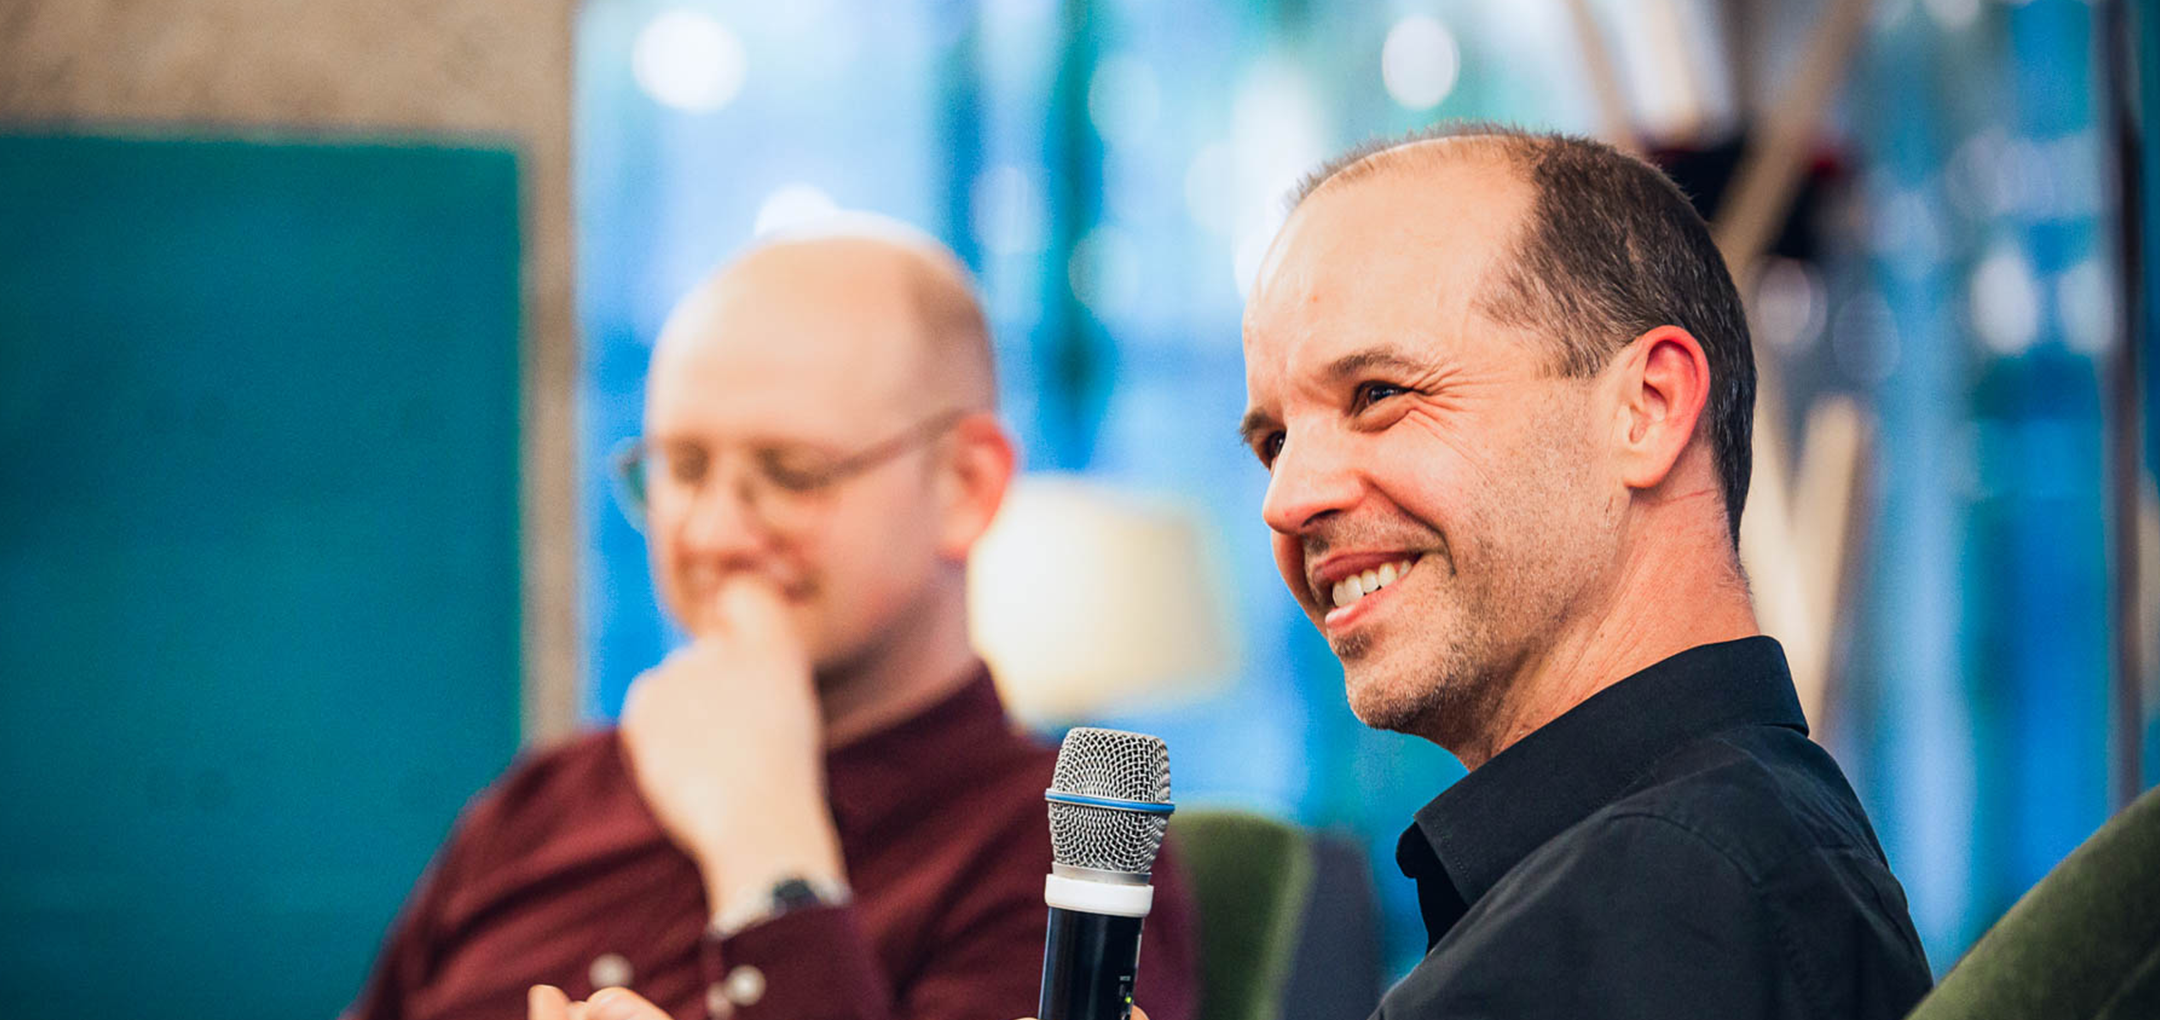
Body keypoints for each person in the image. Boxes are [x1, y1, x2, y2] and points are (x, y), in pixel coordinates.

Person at [350, 219, 1197, 1020]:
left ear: (965, 486)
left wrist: (773, 863)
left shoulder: (1059, 860)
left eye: (792, 473)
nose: (715, 535)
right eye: (684, 468)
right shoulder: (539, 804)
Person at [1226, 125, 1932, 1017]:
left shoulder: (1661, 912)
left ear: (1648, 407)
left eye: (1379, 395)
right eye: (1274, 443)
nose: (1286, 501)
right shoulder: (1729, 864)